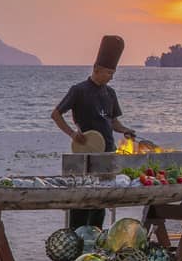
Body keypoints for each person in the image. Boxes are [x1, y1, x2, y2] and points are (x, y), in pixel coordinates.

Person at [52, 35, 137, 229]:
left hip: (107, 152)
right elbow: (56, 114)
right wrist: (73, 134)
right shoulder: (78, 90)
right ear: (96, 69)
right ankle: (76, 234)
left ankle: (95, 235)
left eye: (113, 73)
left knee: (102, 198)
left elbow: (113, 121)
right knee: (82, 195)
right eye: (108, 72)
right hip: (86, 151)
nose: (111, 77)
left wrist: (125, 130)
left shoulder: (110, 93)